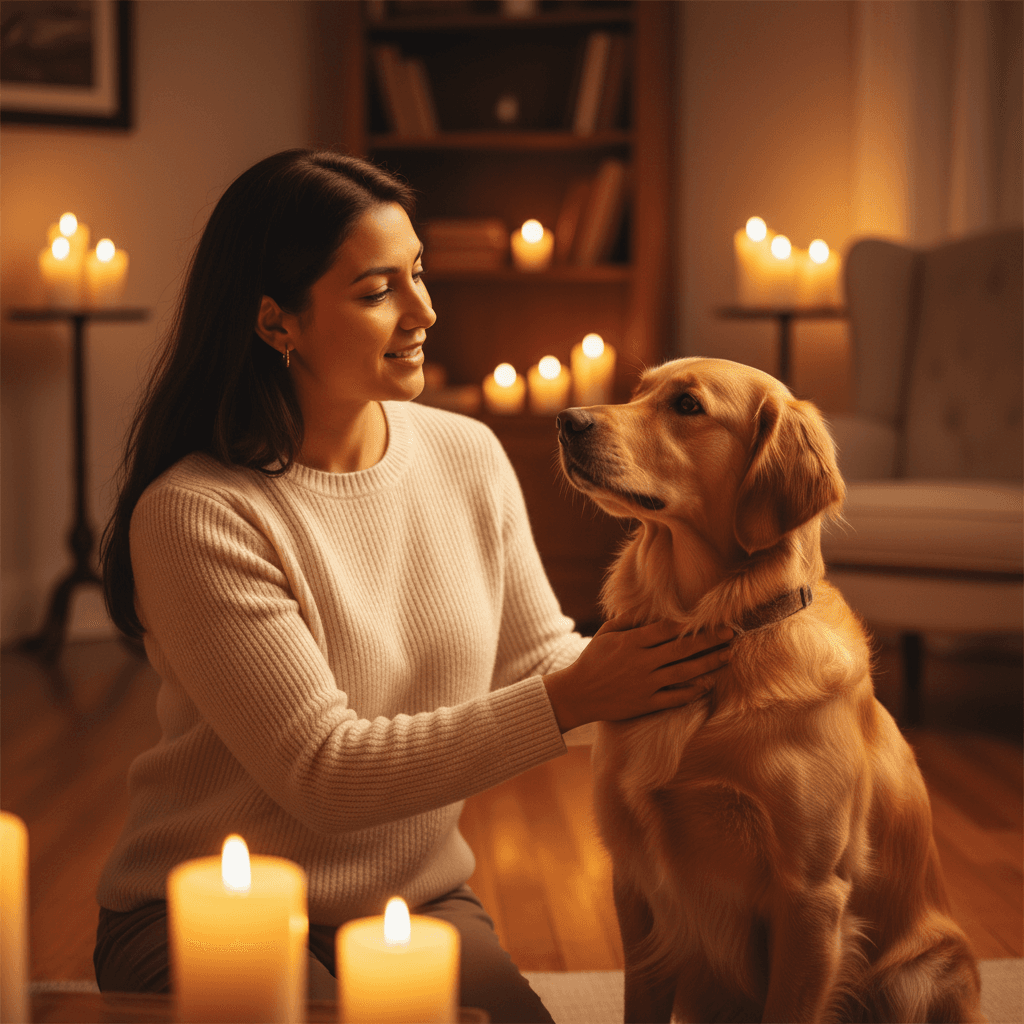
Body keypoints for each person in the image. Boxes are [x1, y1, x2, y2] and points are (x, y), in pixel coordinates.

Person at [92, 149, 732, 1022]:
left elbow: (540, 658)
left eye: (419, 273)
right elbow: (325, 772)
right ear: (276, 323)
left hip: (409, 905)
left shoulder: (465, 453)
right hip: (205, 912)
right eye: (377, 291)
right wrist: (576, 696)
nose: (424, 311)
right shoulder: (196, 513)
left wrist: (733, 683)